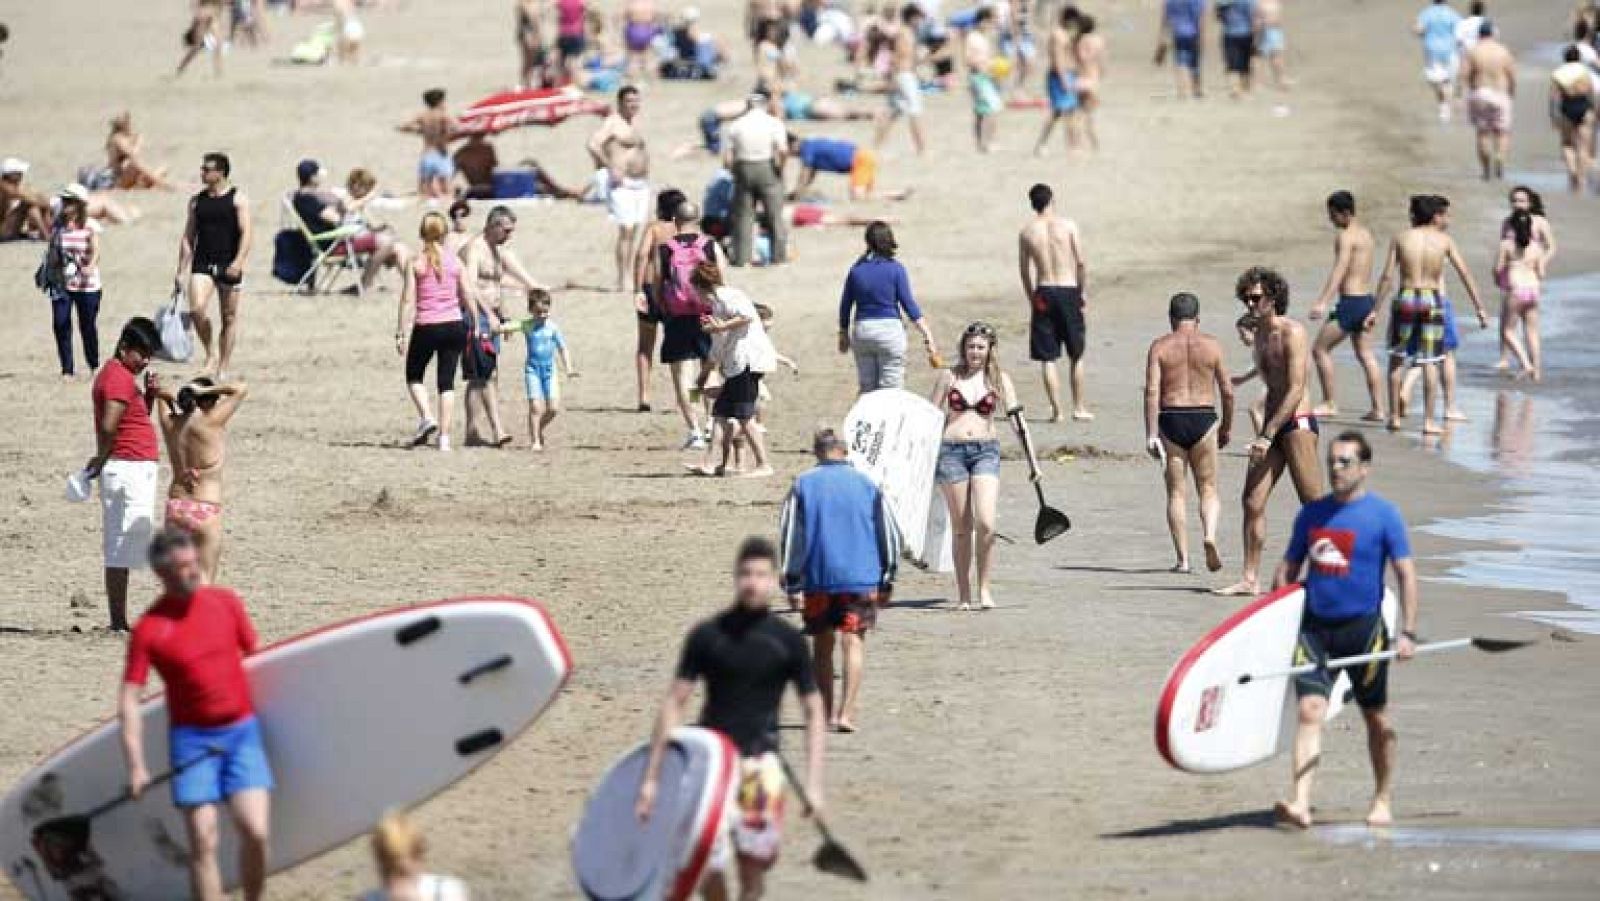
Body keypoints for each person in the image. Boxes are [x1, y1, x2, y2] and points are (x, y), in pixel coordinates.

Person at [636, 537, 827, 901]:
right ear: (735, 578)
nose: (752, 582)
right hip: (712, 766)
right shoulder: (707, 636)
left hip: (761, 766)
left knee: (752, 870)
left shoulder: (787, 641)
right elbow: (674, 703)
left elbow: (813, 710)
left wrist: (815, 785)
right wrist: (652, 776)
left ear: (774, 581)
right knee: (707, 863)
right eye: (745, 574)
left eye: (760, 574)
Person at [1270, 431, 1420, 830]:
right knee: (1309, 711)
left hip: (1364, 631)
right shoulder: (1312, 515)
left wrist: (1407, 633)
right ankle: (1300, 802)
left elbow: (1405, 574)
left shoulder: (1383, 516)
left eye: (1345, 462)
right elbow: (1288, 569)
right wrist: (1272, 614)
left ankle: (1383, 798)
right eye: (1332, 461)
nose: (1335, 469)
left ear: (1364, 468)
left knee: (1376, 719)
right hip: (1315, 630)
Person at [119, 527, 272, 901]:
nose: (191, 574)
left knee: (255, 830)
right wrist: (136, 765)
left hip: (241, 732)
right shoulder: (150, 628)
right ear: (161, 575)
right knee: (203, 841)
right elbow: (129, 698)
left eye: (193, 565)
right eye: (180, 569)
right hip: (192, 742)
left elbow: (259, 658)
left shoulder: (225, 602)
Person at [780, 426, 901, 732]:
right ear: (845, 452)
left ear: (816, 452)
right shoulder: (867, 484)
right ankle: (846, 714)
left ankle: (825, 714)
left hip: (819, 578)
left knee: (822, 646)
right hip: (862, 577)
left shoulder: (803, 484)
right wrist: (887, 575)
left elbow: (790, 534)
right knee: (854, 642)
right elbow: (889, 534)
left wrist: (791, 580)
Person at [1215, 267, 1320, 598]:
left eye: (1256, 297)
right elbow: (1267, 378)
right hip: (1272, 427)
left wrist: (1266, 433)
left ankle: (1335, 572)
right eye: (1245, 298)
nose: (1249, 303)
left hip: (1296, 422)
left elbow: (1295, 387)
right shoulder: (1257, 334)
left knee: (1314, 505)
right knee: (1251, 500)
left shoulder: (1294, 332)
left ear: (1273, 298)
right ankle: (1250, 578)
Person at [931, 323, 1038, 610]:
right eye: (970, 347)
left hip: (985, 452)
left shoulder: (999, 380)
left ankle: (985, 589)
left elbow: (1018, 422)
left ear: (990, 349)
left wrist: (1033, 463)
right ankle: (964, 594)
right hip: (951, 453)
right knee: (962, 528)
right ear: (963, 348)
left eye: (980, 347)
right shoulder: (948, 376)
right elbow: (927, 419)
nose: (974, 352)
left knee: (987, 523)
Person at [1375, 194, 1486, 434]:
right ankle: (1428, 420)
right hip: (1432, 298)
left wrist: (1375, 309)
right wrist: (1479, 308)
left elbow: (1386, 277)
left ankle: (1394, 416)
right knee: (1430, 361)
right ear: (1434, 216)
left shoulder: (1401, 238)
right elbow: (1464, 273)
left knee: (1397, 357)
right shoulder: (1444, 241)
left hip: (1406, 297)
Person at [1144, 292, 1234, 574]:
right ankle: (1209, 534)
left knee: (1176, 493)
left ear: (1171, 318)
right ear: (1198, 318)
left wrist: (1151, 433)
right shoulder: (1213, 346)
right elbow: (1228, 392)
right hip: (1204, 417)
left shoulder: (1159, 347)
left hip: (1171, 419)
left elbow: (1151, 391)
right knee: (1208, 488)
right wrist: (1227, 427)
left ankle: (1183, 560)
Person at [87, 318, 162, 632]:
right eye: (141, 354)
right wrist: (100, 459)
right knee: (121, 544)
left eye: (149, 355)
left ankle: (119, 619)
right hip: (127, 467)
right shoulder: (118, 379)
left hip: (131, 465)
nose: (145, 361)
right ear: (124, 348)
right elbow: (109, 426)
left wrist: (149, 397)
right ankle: (118, 621)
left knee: (125, 543)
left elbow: (131, 418)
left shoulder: (118, 376)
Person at [396, 212, 487, 452]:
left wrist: (400, 331)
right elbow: (468, 293)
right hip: (454, 325)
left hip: (426, 325)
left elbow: (407, 299)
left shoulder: (415, 262)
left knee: (414, 375)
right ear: (445, 233)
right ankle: (444, 438)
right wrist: (476, 323)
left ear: (422, 233)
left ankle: (427, 416)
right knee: (446, 383)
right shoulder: (455, 262)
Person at [460, 206, 550, 447]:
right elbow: (470, 286)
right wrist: (488, 315)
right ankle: (496, 429)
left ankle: (472, 432)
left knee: (486, 375)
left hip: (493, 318)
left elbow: (497, 285)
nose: (509, 236)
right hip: (476, 317)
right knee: (483, 374)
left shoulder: (496, 250)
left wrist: (504, 314)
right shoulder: (474, 249)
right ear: (493, 225)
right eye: (507, 231)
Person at [688, 260, 777, 478]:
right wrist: (699, 382)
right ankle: (710, 463)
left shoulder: (730, 296)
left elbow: (746, 316)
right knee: (719, 412)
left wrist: (721, 326)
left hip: (747, 362)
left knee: (745, 417)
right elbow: (716, 350)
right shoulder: (717, 306)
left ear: (700, 286)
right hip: (736, 366)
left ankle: (764, 465)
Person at [155, 378, 247, 582]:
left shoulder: (170, 425)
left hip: (177, 507)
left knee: (178, 584)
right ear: (206, 401)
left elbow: (159, 394)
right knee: (204, 581)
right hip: (205, 506)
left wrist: (171, 399)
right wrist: (205, 389)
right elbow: (240, 388)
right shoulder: (211, 422)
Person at [1307, 190, 1385, 422]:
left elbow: (1340, 269)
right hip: (1366, 300)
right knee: (1366, 355)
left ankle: (1330, 402)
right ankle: (1378, 408)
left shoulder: (1346, 237)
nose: (1330, 219)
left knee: (1319, 349)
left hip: (1350, 303)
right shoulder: (1366, 235)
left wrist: (1323, 301)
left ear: (1345, 213)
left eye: (1333, 215)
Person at [1018, 183, 1091, 423]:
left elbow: (1024, 271)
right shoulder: (1068, 225)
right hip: (1068, 288)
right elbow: (1080, 262)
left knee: (1048, 357)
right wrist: (1082, 292)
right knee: (1076, 354)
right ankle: (1078, 407)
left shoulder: (1027, 232)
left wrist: (1032, 298)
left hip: (1044, 290)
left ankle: (1057, 410)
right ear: (1052, 200)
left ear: (1032, 204)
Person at [174, 152, 251, 378]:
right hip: (203, 262)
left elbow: (247, 233)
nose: (202, 173)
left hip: (229, 263)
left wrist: (238, 261)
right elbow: (188, 236)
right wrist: (181, 270)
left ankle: (223, 366)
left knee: (228, 317)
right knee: (197, 309)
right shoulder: (197, 202)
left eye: (207, 170)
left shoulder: (238, 199)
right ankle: (210, 353)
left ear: (220, 172)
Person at [656, 200, 725, 449]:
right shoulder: (709, 245)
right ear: (698, 220)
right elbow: (722, 281)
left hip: (678, 317)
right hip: (707, 314)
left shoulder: (665, 249)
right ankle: (711, 424)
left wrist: (664, 308)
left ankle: (694, 430)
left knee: (682, 376)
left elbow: (657, 283)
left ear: (675, 221)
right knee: (710, 372)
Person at [838, 221, 938, 393]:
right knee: (891, 389)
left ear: (867, 242)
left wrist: (843, 333)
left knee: (867, 389)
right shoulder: (896, 269)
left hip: (863, 331)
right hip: (889, 332)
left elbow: (845, 305)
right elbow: (908, 304)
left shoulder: (856, 271)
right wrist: (926, 333)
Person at [290, 160, 407, 296]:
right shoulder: (307, 200)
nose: (322, 176)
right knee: (387, 242)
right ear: (312, 177)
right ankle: (365, 284)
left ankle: (414, 284)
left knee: (397, 247)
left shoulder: (306, 197)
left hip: (338, 240)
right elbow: (336, 218)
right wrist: (361, 200)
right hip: (333, 244)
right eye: (318, 173)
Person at [587, 85, 652, 292]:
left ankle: (633, 276)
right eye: (629, 101)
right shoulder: (613, 123)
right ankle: (621, 279)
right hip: (621, 185)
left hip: (640, 184)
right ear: (620, 103)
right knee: (626, 229)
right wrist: (608, 165)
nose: (633, 105)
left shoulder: (636, 122)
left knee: (636, 231)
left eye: (636, 101)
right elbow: (592, 144)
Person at [630, 188, 688, 412]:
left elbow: (641, 256)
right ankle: (681, 399)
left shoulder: (653, 229)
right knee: (682, 350)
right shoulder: (684, 230)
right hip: (677, 294)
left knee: (645, 346)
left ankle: (644, 397)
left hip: (650, 291)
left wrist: (637, 290)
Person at [498, 289, 578, 450]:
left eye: (545, 312)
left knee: (553, 408)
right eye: (538, 312)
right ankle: (535, 440)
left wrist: (568, 368)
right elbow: (509, 326)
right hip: (532, 370)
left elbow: (563, 348)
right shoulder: (527, 325)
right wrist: (499, 329)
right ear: (531, 310)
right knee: (535, 406)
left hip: (550, 371)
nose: (542, 315)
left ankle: (540, 427)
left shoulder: (553, 328)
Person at [724, 92, 789, 267]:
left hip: (743, 166)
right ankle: (779, 257)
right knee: (775, 214)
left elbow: (728, 157)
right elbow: (782, 150)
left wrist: (734, 172)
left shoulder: (736, 125)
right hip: (766, 165)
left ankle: (742, 258)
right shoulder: (774, 123)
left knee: (744, 216)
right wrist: (780, 167)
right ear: (765, 105)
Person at [1495, 186, 1556, 372]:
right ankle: (1504, 358)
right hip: (1520, 278)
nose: (1517, 204)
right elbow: (1503, 252)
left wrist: (1542, 263)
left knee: (1514, 326)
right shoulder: (1507, 222)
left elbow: (1551, 247)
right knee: (1506, 320)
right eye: (1514, 201)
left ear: (1530, 203)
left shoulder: (1539, 222)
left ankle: (1531, 364)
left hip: (1524, 275)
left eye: (1521, 201)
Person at [48, 185, 103, 379]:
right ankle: (67, 369)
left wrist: (90, 265)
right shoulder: (58, 226)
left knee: (87, 325)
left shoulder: (90, 225)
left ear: (79, 204)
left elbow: (96, 249)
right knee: (60, 323)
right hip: (62, 283)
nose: (65, 206)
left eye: (70, 201)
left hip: (87, 285)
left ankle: (93, 363)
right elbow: (53, 251)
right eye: (64, 201)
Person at [361, 811, 470, 901]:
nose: (397, 886)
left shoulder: (448, 892)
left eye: (403, 873)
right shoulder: (369, 899)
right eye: (388, 872)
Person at [1494, 210, 1546, 382]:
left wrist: (1498, 280)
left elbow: (1498, 268)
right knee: (1532, 332)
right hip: (1534, 290)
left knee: (1507, 331)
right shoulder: (1537, 247)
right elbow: (1541, 272)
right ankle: (1537, 371)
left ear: (1512, 226)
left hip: (1516, 290)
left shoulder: (1506, 245)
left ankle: (1525, 364)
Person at [1461, 19, 1516, 180]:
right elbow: (1512, 75)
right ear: (1493, 34)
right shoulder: (1503, 51)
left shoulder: (1473, 51)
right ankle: (1500, 156)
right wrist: (1511, 92)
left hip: (1480, 93)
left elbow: (1464, 74)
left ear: (1479, 34)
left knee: (1483, 133)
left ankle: (1486, 170)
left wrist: (1464, 93)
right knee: (1502, 132)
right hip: (1500, 93)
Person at [872, 4, 928, 155]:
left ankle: (878, 147)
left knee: (893, 112)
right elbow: (897, 57)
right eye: (918, 17)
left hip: (904, 75)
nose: (920, 21)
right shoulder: (904, 33)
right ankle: (921, 148)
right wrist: (894, 78)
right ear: (912, 17)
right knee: (915, 110)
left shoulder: (907, 32)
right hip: (903, 75)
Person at [786, 134, 903, 202]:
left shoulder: (807, 148)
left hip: (860, 160)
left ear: (794, 143)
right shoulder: (812, 145)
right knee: (864, 195)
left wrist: (797, 193)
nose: (789, 154)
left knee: (858, 198)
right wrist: (798, 192)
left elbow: (805, 173)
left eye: (789, 150)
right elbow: (810, 175)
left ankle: (896, 194)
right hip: (863, 156)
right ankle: (895, 194)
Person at [1034, 5, 1082, 156]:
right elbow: (1058, 59)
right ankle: (1043, 144)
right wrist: (1063, 80)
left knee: (1070, 112)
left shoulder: (1066, 34)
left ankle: (1072, 146)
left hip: (1069, 75)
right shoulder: (1058, 35)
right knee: (1058, 112)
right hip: (1059, 77)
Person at [398, 89, 458, 201]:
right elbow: (455, 127)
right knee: (447, 186)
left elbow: (406, 126)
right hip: (441, 153)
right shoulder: (443, 115)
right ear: (440, 101)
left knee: (425, 187)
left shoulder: (423, 116)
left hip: (427, 153)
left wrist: (421, 131)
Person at [1551, 44, 1596, 192]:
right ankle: (1581, 178)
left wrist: (1554, 116)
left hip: (1567, 106)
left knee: (1567, 144)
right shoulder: (1584, 71)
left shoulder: (1558, 73)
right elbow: (1591, 93)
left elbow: (1554, 98)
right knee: (1584, 145)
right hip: (1583, 105)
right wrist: (1595, 110)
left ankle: (1572, 171)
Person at [1415, 0, 1463, 122]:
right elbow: (1460, 32)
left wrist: (1422, 34)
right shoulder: (1452, 13)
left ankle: (1444, 106)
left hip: (1432, 50)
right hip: (1450, 50)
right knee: (1447, 80)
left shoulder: (1426, 13)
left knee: (1436, 80)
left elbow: (1418, 30)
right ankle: (1446, 103)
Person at [105, 113, 175, 190]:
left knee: (163, 169)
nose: (130, 125)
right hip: (116, 180)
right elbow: (133, 155)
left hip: (126, 176)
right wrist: (139, 142)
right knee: (135, 165)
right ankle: (163, 184)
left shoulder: (124, 137)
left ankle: (150, 183)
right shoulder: (117, 138)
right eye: (127, 121)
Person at [965, 8, 1002, 153]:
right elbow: (968, 59)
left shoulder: (983, 37)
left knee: (982, 111)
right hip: (978, 78)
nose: (992, 25)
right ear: (982, 21)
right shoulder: (972, 37)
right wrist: (983, 67)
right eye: (991, 21)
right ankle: (987, 142)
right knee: (990, 109)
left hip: (986, 77)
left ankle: (981, 143)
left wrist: (993, 67)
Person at [1072, 15, 1105, 151]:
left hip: (1080, 80)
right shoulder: (1099, 41)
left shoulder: (1078, 41)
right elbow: (1102, 62)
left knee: (1078, 115)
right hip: (1093, 81)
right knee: (1090, 116)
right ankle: (1094, 145)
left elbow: (1076, 60)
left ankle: (1078, 145)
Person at [1161, 0, 1206, 99]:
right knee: (1194, 63)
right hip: (1193, 33)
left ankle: (1182, 90)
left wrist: (1163, 35)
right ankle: (1196, 89)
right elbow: (1200, 19)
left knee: (1180, 62)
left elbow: (1165, 18)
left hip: (1178, 33)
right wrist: (1202, 36)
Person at [1, 157, 51, 241]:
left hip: (5, 227)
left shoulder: (9, 186)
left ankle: (46, 231)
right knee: (28, 204)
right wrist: (46, 207)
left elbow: (39, 197)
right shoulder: (5, 187)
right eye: (19, 173)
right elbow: (39, 201)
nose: (22, 175)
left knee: (32, 202)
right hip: (3, 233)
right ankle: (46, 234)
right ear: (11, 175)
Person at [1216, 0, 1255, 97]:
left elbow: (1219, 16)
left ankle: (1235, 88)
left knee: (1232, 63)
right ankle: (1244, 88)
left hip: (1230, 33)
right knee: (1245, 63)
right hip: (1246, 33)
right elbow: (1253, 16)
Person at [177, 0, 225, 78]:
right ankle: (181, 67)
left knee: (218, 44)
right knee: (197, 47)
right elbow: (194, 4)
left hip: (213, 16)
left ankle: (218, 72)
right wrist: (197, 15)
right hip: (203, 16)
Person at [1255, 0, 1289, 89]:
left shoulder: (1261, 3)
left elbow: (1257, 20)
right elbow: (1258, 20)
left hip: (1272, 30)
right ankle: (1281, 80)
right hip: (1270, 30)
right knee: (1272, 56)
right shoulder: (1263, 3)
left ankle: (1260, 82)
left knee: (1262, 57)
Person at [518, 0, 550, 88]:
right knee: (528, 61)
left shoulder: (535, 3)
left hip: (532, 33)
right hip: (528, 34)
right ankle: (525, 83)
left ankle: (528, 83)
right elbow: (532, 17)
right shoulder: (523, 4)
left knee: (533, 61)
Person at [556, 0, 588, 85]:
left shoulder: (561, 2)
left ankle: (565, 84)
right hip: (577, 33)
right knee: (576, 61)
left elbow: (552, 12)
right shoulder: (580, 1)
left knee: (563, 62)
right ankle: (573, 84)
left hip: (563, 33)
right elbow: (586, 14)